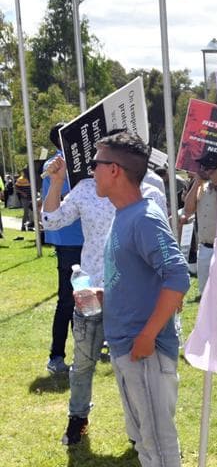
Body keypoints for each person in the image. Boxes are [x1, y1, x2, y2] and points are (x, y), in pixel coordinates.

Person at [93, 131, 191, 467]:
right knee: (141, 432)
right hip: (126, 343)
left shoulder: (145, 217)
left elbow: (177, 277)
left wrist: (149, 335)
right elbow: (141, 277)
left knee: (156, 431)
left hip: (144, 346)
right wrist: (103, 295)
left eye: (96, 163)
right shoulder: (126, 213)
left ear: (115, 171)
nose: (92, 171)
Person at [41, 146, 167, 445]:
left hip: (134, 296)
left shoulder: (151, 191)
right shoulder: (86, 189)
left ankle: (140, 430)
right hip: (91, 291)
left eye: (99, 161)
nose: (92, 165)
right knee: (83, 362)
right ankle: (77, 418)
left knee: (135, 367)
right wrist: (58, 182)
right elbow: (51, 221)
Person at [40, 124, 82, 376]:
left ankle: (86, 348)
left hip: (81, 240)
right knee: (67, 300)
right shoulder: (56, 165)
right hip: (69, 242)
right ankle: (56, 356)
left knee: (86, 298)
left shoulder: (71, 162)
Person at [181, 148, 217, 300]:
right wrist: (197, 181)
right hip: (204, 247)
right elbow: (188, 209)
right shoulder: (202, 188)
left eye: (209, 169)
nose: (205, 172)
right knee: (205, 294)